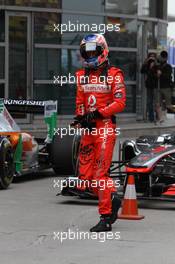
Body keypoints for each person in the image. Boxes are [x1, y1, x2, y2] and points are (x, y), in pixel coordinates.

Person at [74, 34, 126, 232]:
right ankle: (112, 197)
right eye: (86, 52)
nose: (90, 55)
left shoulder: (115, 74)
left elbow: (120, 103)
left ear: (102, 51)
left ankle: (105, 218)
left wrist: (97, 113)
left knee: (99, 175)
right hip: (89, 130)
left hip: (105, 128)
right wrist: (81, 118)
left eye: (93, 51)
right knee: (84, 180)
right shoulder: (81, 76)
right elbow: (80, 102)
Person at [141, 53, 159, 122]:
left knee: (156, 102)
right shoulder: (147, 65)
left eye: (153, 57)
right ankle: (151, 118)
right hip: (149, 85)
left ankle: (158, 117)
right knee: (149, 102)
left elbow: (158, 74)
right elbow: (142, 71)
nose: (152, 58)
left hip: (156, 86)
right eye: (150, 57)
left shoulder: (157, 65)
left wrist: (155, 65)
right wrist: (146, 63)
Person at [158, 50, 173, 119]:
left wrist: (161, 74)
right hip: (159, 87)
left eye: (163, 57)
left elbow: (167, 76)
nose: (162, 59)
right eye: (161, 57)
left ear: (166, 58)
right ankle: (161, 118)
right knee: (159, 104)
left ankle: (164, 116)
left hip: (166, 87)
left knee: (168, 104)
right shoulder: (158, 65)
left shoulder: (168, 67)